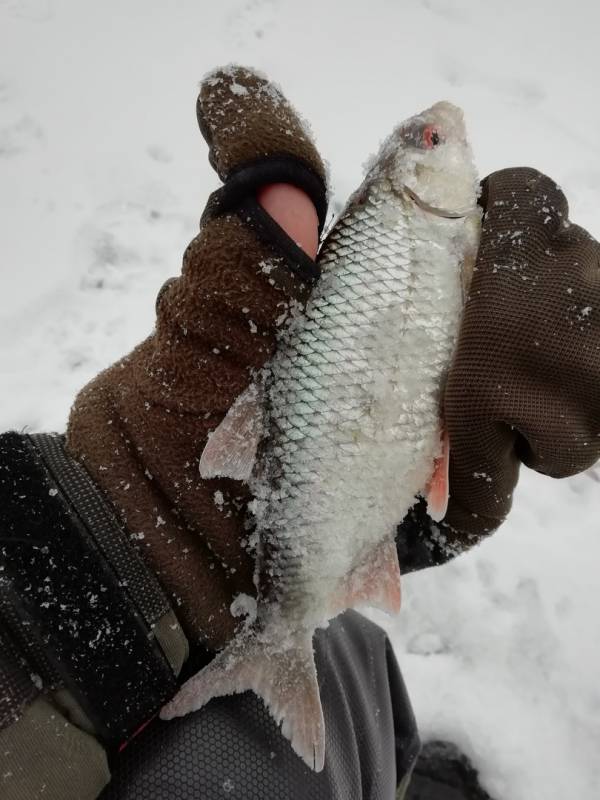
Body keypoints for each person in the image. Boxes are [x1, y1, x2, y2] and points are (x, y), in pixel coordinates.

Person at [0, 65, 598, 800]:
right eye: (432, 141)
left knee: (350, 658)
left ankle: (367, 757)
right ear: (412, 184)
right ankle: (368, 765)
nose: (447, 138)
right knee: (337, 697)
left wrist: (110, 542)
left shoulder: (425, 232)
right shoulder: (412, 230)